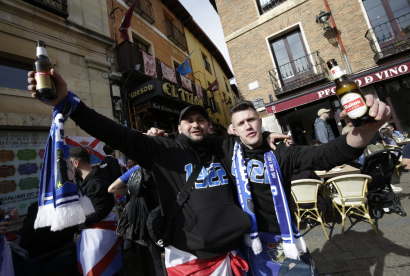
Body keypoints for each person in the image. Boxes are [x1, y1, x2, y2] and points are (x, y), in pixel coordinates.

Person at [28, 69, 285, 275]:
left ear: (208, 126)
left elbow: (247, 135)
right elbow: (116, 134)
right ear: (180, 127)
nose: (196, 124)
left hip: (237, 254)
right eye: (189, 121)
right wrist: (70, 104)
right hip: (192, 263)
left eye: (201, 120)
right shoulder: (162, 150)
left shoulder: (222, 147)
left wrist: (263, 136)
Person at [218, 99, 390, 275]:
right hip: (247, 242)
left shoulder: (282, 151)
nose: (247, 126)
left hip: (284, 239)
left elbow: (325, 154)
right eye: (241, 123)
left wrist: (366, 129)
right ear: (234, 130)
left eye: (251, 120)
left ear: (260, 122)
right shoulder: (226, 150)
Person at [69, 147, 121, 276]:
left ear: (76, 163)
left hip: (99, 239)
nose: (68, 169)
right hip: (93, 237)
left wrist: (75, 221)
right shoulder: (86, 181)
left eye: (69, 164)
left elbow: (98, 212)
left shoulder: (96, 182)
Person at [109, 165, 165, 276]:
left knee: (159, 261)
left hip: (148, 219)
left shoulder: (138, 168)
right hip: (172, 216)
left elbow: (112, 188)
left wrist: (135, 192)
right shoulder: (168, 164)